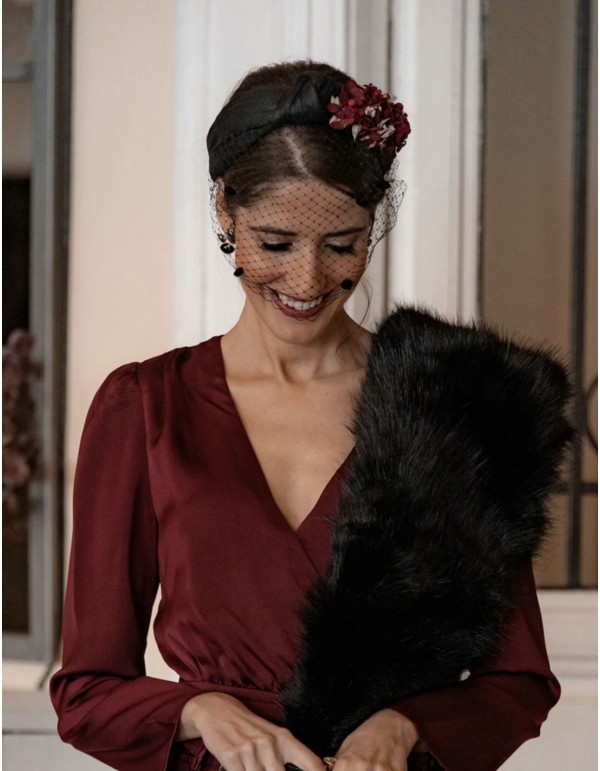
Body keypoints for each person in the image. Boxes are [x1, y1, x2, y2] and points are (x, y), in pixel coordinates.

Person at [50, 61, 574, 771]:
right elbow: (88, 690)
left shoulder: (455, 403)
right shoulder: (143, 408)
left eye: (341, 246)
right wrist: (201, 709)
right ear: (224, 213)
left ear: (375, 223)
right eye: (275, 244)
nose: (306, 281)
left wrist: (401, 724)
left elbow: (519, 682)